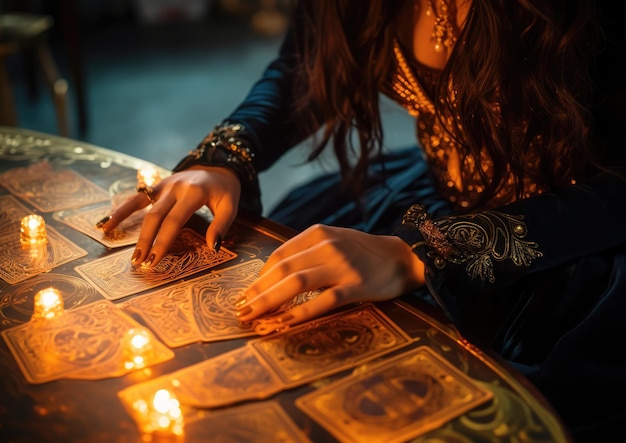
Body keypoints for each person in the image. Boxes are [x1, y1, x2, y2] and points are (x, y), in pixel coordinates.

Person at [98, 0, 626, 440]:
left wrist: (429, 250)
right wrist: (228, 155)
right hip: (431, 201)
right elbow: (306, 65)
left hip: (574, 247)